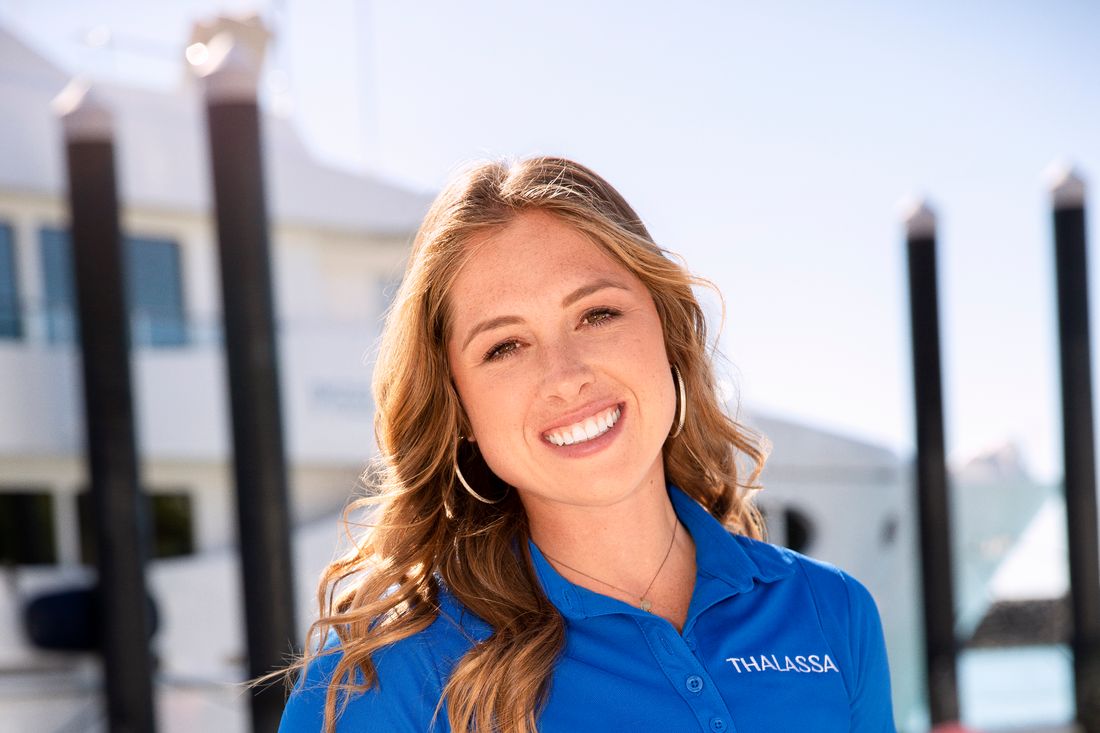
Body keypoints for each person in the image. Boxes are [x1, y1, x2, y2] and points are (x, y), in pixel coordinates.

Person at [277, 156, 896, 732]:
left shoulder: (831, 611)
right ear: (458, 404)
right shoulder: (379, 677)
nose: (565, 375)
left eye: (597, 314)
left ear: (667, 328)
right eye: (504, 347)